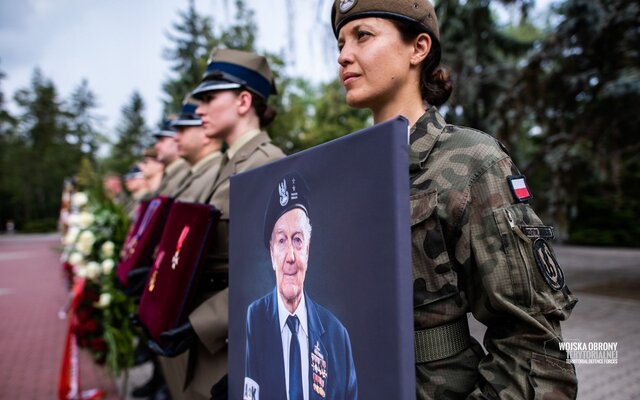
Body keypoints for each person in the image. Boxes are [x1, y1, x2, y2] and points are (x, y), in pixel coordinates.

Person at [331, 1, 578, 399]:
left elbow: (533, 345)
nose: (344, 55)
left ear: (419, 48)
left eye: (363, 36)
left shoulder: (471, 162)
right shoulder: (343, 174)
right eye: (341, 42)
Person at [157, 48, 285, 400]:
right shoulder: (222, 167)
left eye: (209, 98)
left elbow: (274, 272)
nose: (198, 110)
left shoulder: (266, 164)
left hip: (231, 338)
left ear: (244, 101)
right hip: (202, 332)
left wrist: (202, 324)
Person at [244, 172, 357, 400]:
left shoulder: (337, 337)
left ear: (307, 249)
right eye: (282, 240)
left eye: (297, 240)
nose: (290, 256)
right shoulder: (253, 320)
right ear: (272, 252)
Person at [171, 97, 224, 202]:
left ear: (206, 135)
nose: (175, 138)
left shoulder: (217, 173)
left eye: (182, 130)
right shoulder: (194, 172)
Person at [153, 119, 191, 197]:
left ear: (176, 141)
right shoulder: (171, 173)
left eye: (162, 141)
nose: (156, 146)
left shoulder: (184, 173)